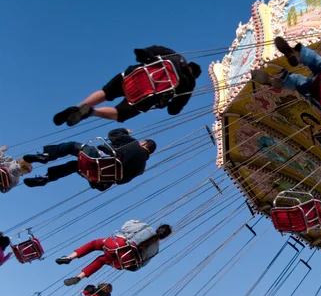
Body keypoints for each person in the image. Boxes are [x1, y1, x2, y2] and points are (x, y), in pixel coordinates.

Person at [53, 46, 202, 127]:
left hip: (131, 77)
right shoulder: (188, 84)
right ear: (194, 75)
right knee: (119, 113)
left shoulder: (173, 55)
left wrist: (145, 58)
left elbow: (144, 51)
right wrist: (167, 102)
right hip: (143, 98)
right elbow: (173, 110)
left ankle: (80, 106)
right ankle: (92, 112)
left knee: (106, 92)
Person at [22, 128, 156, 190]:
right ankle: (45, 178)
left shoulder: (134, 144)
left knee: (72, 146)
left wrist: (125, 132)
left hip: (96, 160)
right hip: (99, 180)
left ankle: (46, 156)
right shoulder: (141, 169)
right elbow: (122, 181)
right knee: (75, 166)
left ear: (143, 144)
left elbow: (113, 134)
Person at [56, 221, 172, 286]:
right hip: (122, 261)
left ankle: (69, 257)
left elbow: (125, 227)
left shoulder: (146, 227)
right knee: (101, 260)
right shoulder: (156, 249)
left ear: (159, 228)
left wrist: (135, 222)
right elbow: (143, 264)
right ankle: (78, 278)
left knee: (94, 244)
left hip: (115, 246)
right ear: (165, 236)